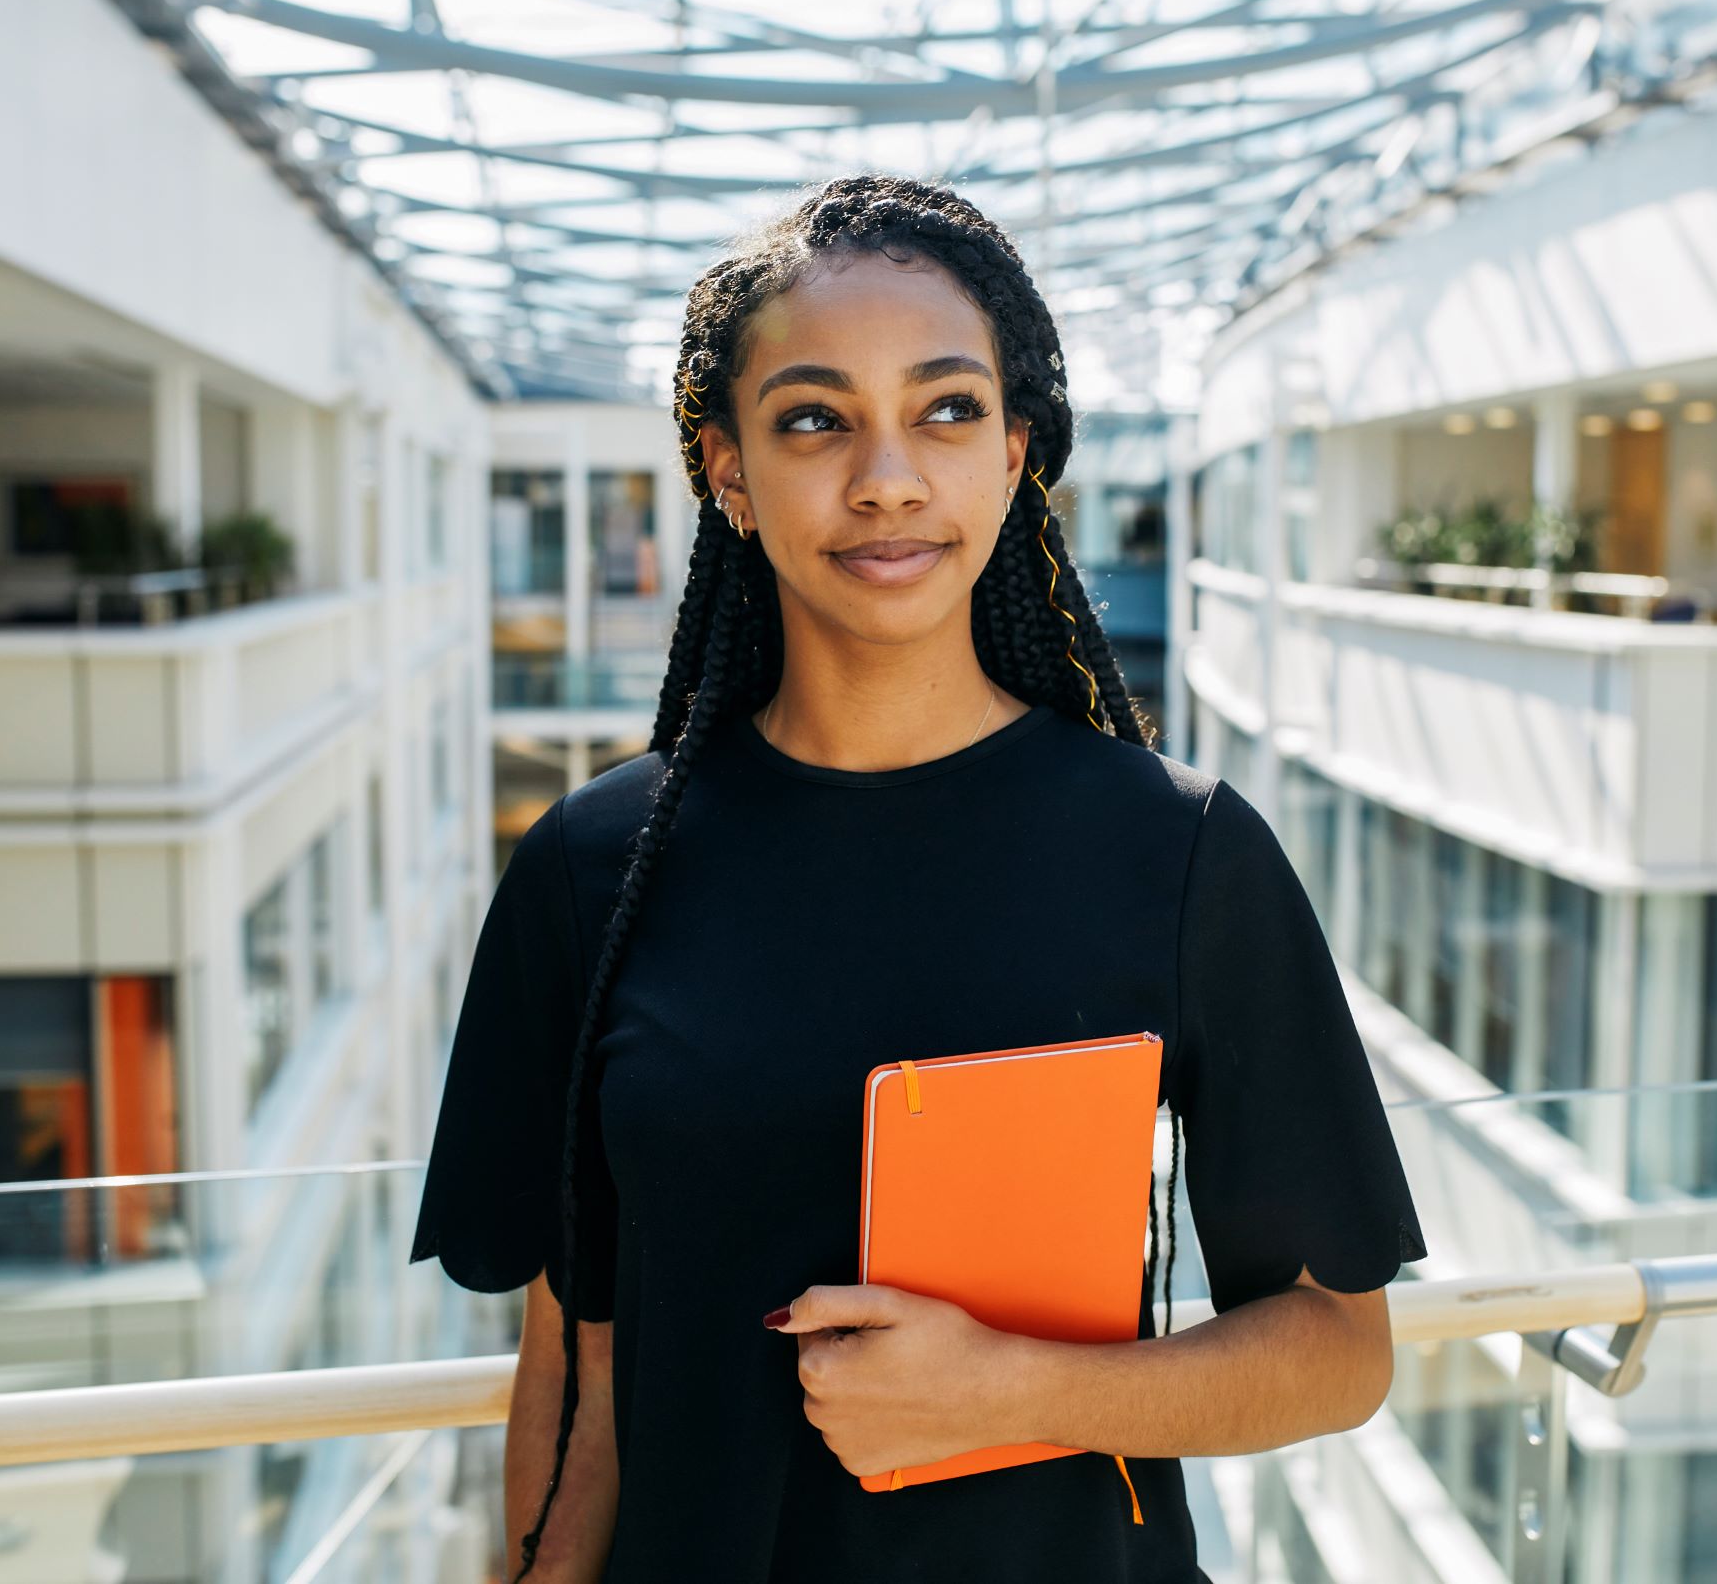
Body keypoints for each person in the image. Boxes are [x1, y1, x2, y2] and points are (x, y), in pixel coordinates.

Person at [407, 174, 1428, 1584]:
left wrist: (1018, 1387)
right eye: (815, 418)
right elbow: (579, 1361)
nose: (887, 476)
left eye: (945, 409)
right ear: (725, 470)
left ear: (1014, 451)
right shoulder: (595, 869)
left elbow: (1333, 1349)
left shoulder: (1181, 851)